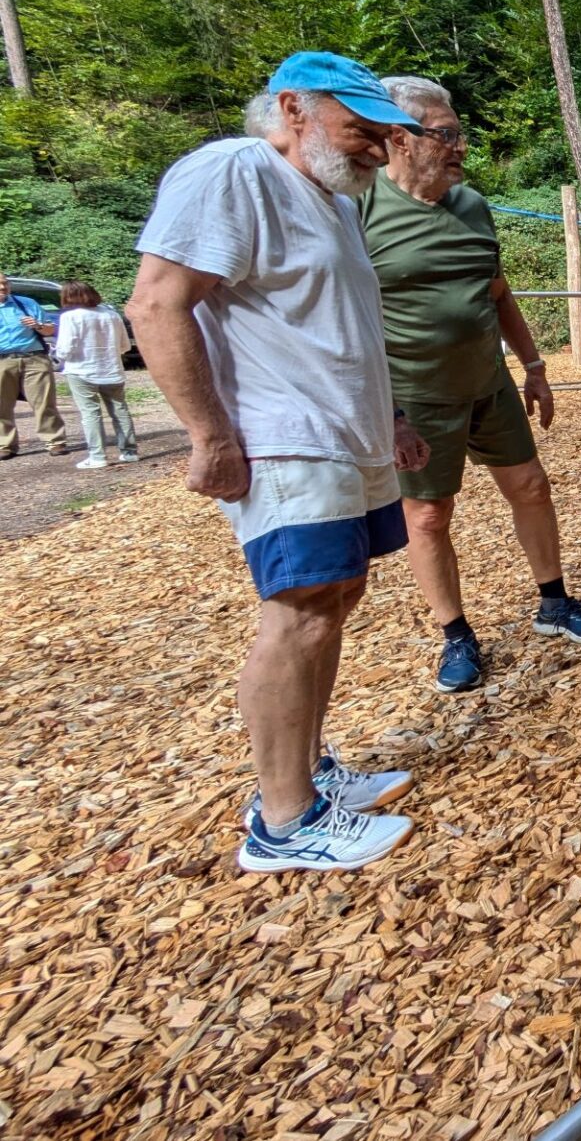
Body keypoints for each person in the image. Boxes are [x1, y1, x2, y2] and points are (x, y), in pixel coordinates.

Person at [128, 52, 430, 874]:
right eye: (361, 130)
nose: (377, 149)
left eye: (384, 135)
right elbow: (156, 302)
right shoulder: (233, 171)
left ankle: (309, 767)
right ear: (294, 109)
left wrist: (393, 418)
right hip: (286, 437)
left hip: (347, 435)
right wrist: (210, 434)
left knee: (336, 594)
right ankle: (283, 819)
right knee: (297, 608)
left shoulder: (333, 199)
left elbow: (345, 325)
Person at [359, 75, 581, 695]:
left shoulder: (471, 205)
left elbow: (498, 292)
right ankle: (456, 635)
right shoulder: (360, 208)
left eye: (459, 134)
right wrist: (385, 412)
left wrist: (534, 367)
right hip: (414, 396)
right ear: (401, 138)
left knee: (530, 485)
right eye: (446, 134)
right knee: (428, 515)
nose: (460, 147)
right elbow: (347, 316)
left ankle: (554, 603)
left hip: (488, 382)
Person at [52, 281, 138, 468]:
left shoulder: (71, 317)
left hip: (81, 371)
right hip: (111, 370)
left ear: (67, 297)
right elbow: (125, 346)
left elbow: (65, 349)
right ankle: (129, 452)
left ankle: (97, 456)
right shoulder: (111, 315)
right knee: (120, 411)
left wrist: (57, 354)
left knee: (90, 413)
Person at [0, 272, 69, 459]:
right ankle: (4, 445)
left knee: (44, 402)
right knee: (2, 406)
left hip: (34, 358)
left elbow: (49, 329)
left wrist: (37, 325)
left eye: (5, 283)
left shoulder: (26, 304)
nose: (3, 287)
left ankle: (55, 441)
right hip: (2, 361)